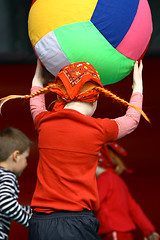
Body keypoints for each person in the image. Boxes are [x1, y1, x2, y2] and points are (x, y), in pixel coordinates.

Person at [0, 59, 148, 240]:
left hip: (40, 224)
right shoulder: (97, 129)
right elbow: (132, 119)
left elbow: (36, 104)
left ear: (61, 96)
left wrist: (38, 75)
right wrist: (137, 86)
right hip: (75, 222)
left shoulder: (45, 122)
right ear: (95, 99)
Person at [95, 142, 160, 240]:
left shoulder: (105, 179)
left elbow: (94, 203)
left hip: (113, 231)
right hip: (124, 233)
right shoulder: (118, 180)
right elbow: (134, 208)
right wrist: (149, 231)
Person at [0, 127, 32, 240]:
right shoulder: (8, 176)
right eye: (26, 158)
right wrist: (29, 221)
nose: (27, 163)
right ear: (16, 156)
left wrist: (32, 210)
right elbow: (4, 202)